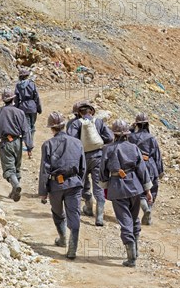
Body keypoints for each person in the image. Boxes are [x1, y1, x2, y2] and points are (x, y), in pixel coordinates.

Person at [99, 120, 152, 267]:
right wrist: (147, 191)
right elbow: (142, 170)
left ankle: (131, 257)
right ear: (127, 134)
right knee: (134, 219)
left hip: (118, 188)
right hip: (135, 187)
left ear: (114, 134)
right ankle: (135, 250)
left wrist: (104, 186)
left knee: (125, 221)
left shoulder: (107, 149)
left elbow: (103, 171)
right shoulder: (134, 148)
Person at [39, 112, 85, 259]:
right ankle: (72, 249)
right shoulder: (77, 143)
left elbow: (44, 170)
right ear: (64, 125)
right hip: (74, 184)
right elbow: (83, 167)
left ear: (52, 128)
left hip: (55, 186)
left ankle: (63, 238)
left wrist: (43, 191)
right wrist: (80, 184)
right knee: (75, 215)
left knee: (58, 213)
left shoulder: (47, 145)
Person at [67, 100, 113, 226]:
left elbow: (71, 141)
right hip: (98, 157)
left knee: (83, 183)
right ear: (91, 111)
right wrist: (100, 143)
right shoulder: (98, 122)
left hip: (81, 158)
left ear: (78, 113)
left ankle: (88, 206)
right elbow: (109, 137)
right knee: (98, 186)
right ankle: (99, 218)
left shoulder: (74, 123)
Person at [0, 88, 33, 202]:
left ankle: (15, 185)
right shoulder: (20, 112)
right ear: (13, 99)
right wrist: (29, 146)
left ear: (4, 100)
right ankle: (14, 190)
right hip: (17, 143)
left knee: (9, 169)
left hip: (5, 143)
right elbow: (26, 130)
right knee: (17, 167)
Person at [129, 112, 163, 225]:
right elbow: (157, 156)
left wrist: (132, 128)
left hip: (136, 165)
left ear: (137, 124)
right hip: (149, 165)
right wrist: (159, 171)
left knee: (140, 188)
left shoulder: (131, 137)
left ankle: (144, 207)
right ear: (147, 124)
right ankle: (148, 209)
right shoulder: (151, 138)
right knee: (152, 188)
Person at [14, 68, 42, 143]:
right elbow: (36, 97)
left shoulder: (18, 85)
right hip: (32, 106)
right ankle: (31, 141)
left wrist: (16, 108)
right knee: (32, 125)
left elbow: (16, 98)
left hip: (22, 107)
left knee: (27, 125)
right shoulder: (32, 84)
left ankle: (28, 142)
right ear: (27, 76)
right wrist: (39, 108)